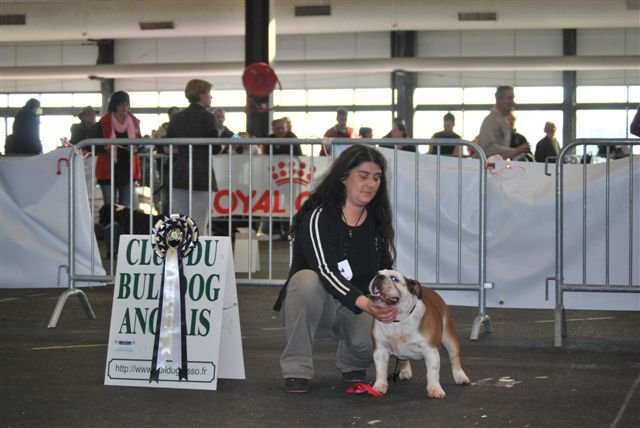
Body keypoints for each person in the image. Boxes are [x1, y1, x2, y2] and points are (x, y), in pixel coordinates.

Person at [273, 144, 398, 393]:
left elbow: (383, 271)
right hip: (317, 304)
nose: (371, 184)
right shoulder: (318, 217)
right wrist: (366, 304)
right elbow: (326, 271)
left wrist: (389, 303)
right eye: (363, 176)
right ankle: (297, 368)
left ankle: (353, 363)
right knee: (306, 281)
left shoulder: (377, 221)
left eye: (376, 178)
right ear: (343, 177)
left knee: (370, 343)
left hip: (355, 305)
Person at [166, 78, 221, 234]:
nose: (211, 97)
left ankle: (179, 249)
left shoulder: (177, 118)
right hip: (202, 175)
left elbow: (169, 142)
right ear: (201, 95)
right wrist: (222, 145)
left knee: (178, 223)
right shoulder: (209, 118)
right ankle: (197, 250)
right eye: (209, 93)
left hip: (180, 174)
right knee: (199, 224)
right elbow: (215, 148)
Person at [96, 91, 142, 208]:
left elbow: (140, 142)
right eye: (121, 104)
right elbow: (94, 144)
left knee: (125, 207)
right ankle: (109, 221)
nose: (124, 107)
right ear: (114, 105)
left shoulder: (134, 122)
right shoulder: (103, 122)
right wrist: (104, 147)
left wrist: (137, 149)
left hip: (128, 169)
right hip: (108, 169)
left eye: (126, 104)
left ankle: (122, 221)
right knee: (109, 206)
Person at [477, 85, 530, 159]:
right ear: (499, 99)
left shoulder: (502, 121)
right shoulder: (491, 120)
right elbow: (487, 149)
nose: (513, 102)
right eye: (510, 98)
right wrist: (515, 151)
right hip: (490, 164)